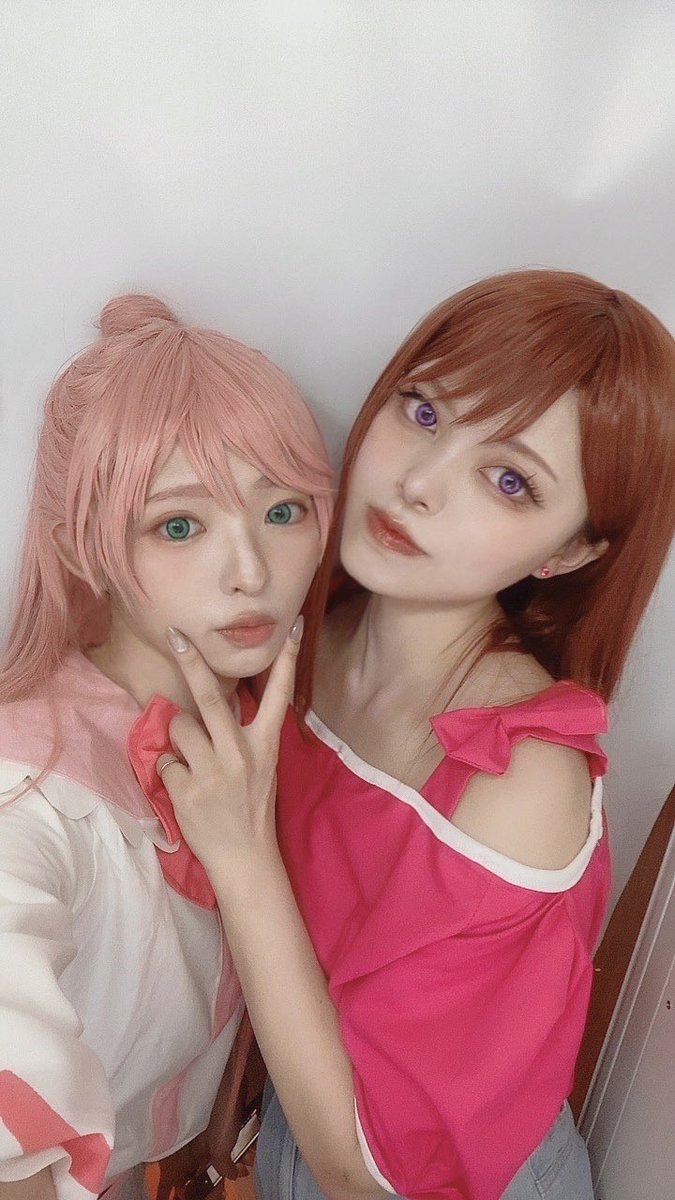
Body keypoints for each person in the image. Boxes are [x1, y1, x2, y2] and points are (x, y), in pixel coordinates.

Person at [153, 269, 675, 1200]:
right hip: (300, 1121)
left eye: (509, 480)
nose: (418, 485)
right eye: (424, 412)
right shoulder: (299, 628)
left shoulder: (517, 777)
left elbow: (373, 1173)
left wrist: (239, 853)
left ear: (568, 551)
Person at [0, 294, 333, 1200]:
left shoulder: (295, 732)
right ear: (82, 549)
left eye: (284, 510)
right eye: (178, 526)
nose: (251, 572)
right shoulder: (30, 794)